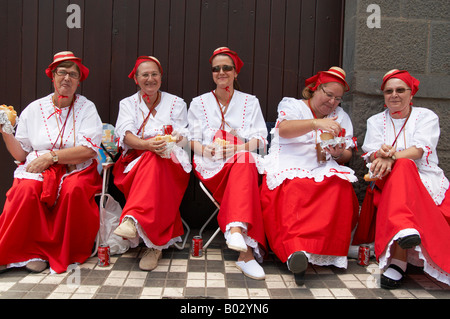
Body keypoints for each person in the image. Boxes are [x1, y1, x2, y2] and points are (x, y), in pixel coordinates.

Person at [0, 51, 103, 274]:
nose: (67, 78)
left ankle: (58, 252)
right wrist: (6, 131)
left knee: (72, 191)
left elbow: (88, 150)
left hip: (76, 169)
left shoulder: (86, 108)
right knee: (26, 190)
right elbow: (20, 154)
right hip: (38, 169)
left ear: (78, 80)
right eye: (62, 73)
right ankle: (28, 252)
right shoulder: (34, 109)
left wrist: (52, 157)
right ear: (53, 76)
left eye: (73, 75)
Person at [260, 67, 359, 285]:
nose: (332, 102)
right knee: (296, 188)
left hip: (322, 164)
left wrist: (339, 153)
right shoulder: (292, 105)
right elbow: (283, 129)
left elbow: (348, 153)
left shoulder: (340, 116)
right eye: (329, 94)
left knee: (339, 187)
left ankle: (329, 250)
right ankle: (296, 251)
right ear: (315, 89)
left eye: (338, 98)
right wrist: (316, 123)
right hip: (289, 161)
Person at [358, 69, 450, 289]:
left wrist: (391, 157)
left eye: (400, 90)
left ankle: (399, 258)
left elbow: (418, 151)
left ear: (411, 94)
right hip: (387, 180)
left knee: (406, 164)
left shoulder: (426, 116)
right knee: (403, 166)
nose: (394, 95)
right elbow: (370, 153)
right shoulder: (375, 121)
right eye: (388, 91)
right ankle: (401, 247)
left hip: (424, 177)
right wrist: (379, 154)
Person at [188, 47, 267, 280]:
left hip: (241, 161)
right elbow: (190, 140)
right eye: (216, 69)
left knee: (245, 160)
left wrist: (236, 148)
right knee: (246, 166)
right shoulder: (199, 102)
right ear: (212, 73)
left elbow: (261, 140)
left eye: (226, 68)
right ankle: (244, 248)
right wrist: (207, 150)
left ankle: (237, 235)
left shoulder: (250, 102)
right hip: (211, 166)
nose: (221, 72)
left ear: (235, 72)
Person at [112, 56, 191, 271]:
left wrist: (169, 141)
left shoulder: (176, 103)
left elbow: (184, 136)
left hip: (171, 162)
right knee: (153, 159)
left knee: (158, 160)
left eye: (154, 74)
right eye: (144, 75)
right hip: (135, 161)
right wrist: (148, 146)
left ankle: (132, 219)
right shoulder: (127, 104)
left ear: (161, 78)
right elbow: (125, 135)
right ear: (136, 79)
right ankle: (154, 246)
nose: (150, 79)